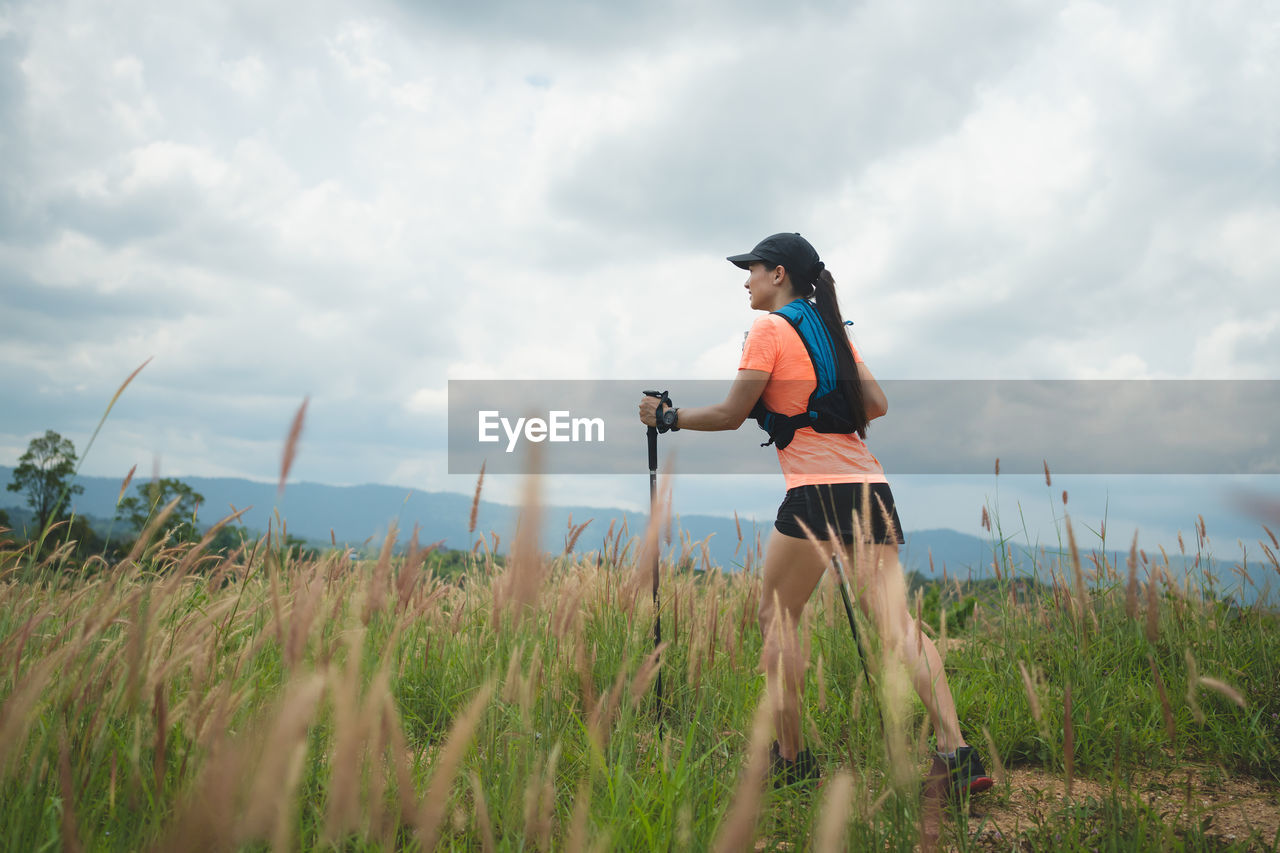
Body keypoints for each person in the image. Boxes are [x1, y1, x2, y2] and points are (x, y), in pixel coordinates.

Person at [637, 232, 992, 795]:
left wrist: (668, 417)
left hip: (815, 491)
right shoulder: (832, 332)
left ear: (779, 274)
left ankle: (794, 759)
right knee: (898, 624)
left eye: (751, 269)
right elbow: (874, 406)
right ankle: (957, 753)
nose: (745, 279)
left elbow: (732, 414)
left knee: (777, 620)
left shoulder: (769, 329)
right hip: (870, 486)